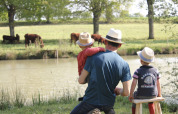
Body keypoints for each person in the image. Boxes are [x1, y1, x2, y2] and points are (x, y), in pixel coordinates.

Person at [71, 28, 132, 114]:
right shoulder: (124, 64)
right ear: (119, 45)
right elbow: (126, 92)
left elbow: (81, 80)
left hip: (90, 101)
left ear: (105, 42)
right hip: (108, 103)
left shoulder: (93, 57)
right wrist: (118, 90)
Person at [129, 47, 162, 114]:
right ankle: (152, 112)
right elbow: (158, 83)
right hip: (153, 95)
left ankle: (134, 112)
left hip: (140, 95)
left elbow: (134, 83)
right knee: (151, 101)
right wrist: (159, 94)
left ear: (141, 60)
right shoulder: (156, 71)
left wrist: (131, 94)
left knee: (135, 96)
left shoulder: (138, 71)